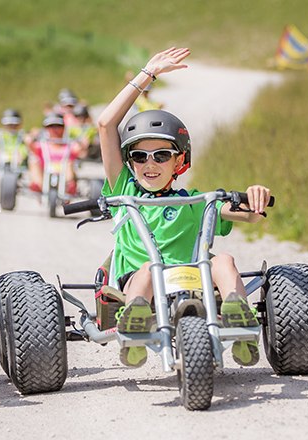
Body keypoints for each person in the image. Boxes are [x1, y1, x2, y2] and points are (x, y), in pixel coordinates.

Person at [97, 47, 272, 368]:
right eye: (140, 156)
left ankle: (239, 318)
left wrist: (254, 198)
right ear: (130, 162)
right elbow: (106, 125)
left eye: (161, 155)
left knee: (225, 259)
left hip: (194, 280)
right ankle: (134, 324)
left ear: (179, 160)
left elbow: (246, 213)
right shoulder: (123, 191)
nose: (150, 164)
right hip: (140, 284)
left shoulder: (195, 201)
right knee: (151, 268)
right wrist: (146, 75)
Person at [27, 113, 80, 195]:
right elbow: (30, 145)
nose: (55, 130)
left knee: (69, 163)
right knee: (33, 161)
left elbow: (80, 150)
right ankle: (38, 185)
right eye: (51, 127)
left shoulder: (69, 145)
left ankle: (69, 186)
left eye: (58, 126)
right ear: (46, 129)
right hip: (45, 172)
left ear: (63, 128)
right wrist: (31, 136)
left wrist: (83, 143)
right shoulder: (42, 145)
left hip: (64, 172)